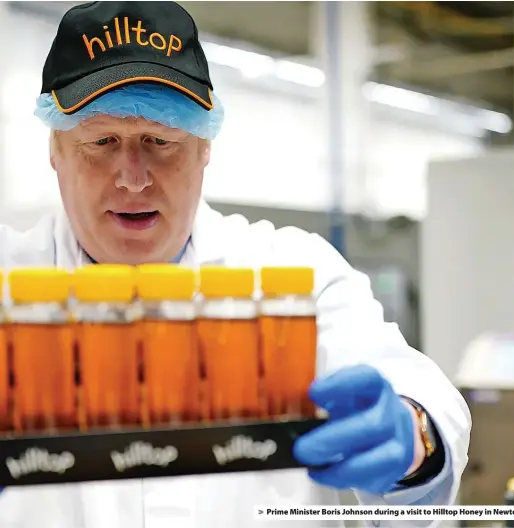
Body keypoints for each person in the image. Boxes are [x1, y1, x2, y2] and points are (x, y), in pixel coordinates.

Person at [0, 2, 471, 527]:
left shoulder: (296, 274)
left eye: (161, 141)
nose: (133, 178)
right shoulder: (8, 278)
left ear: (204, 148)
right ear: (56, 148)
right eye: (101, 141)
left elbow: (420, 396)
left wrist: (414, 437)